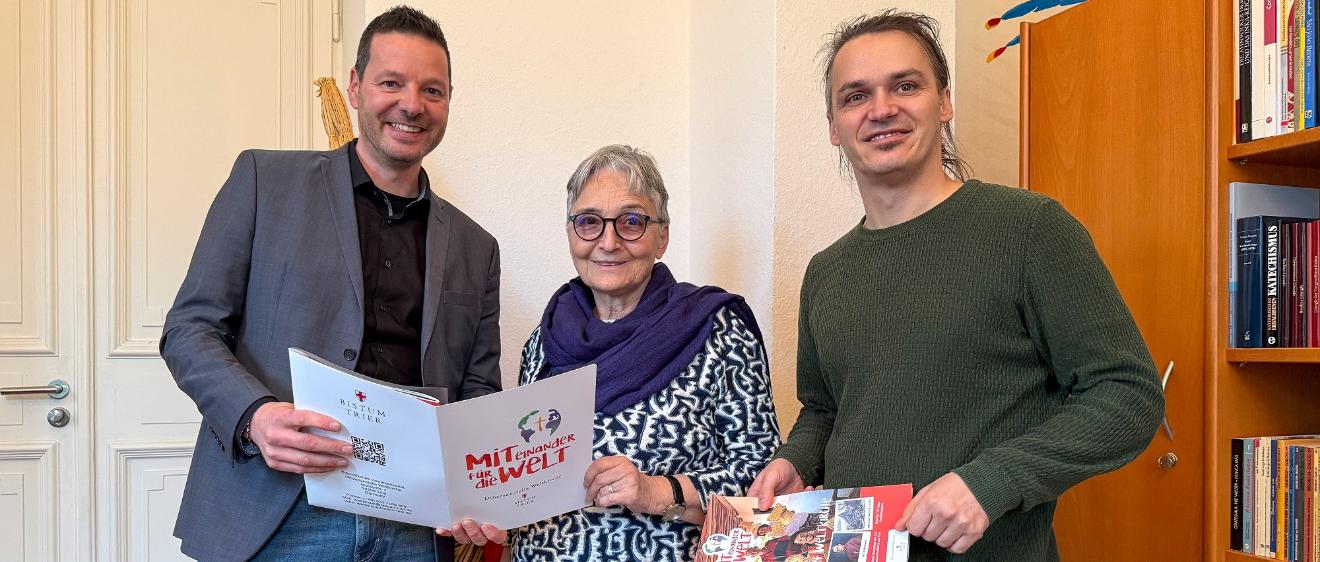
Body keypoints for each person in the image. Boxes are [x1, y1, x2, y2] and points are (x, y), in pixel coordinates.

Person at [748, 10, 1164, 561]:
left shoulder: (1028, 229)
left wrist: (992, 482)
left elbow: (1128, 394)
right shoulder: (827, 272)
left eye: (905, 85)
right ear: (833, 126)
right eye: (855, 96)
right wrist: (795, 461)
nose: (881, 109)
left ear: (944, 103)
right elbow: (825, 409)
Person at [159, 6, 500, 561]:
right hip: (278, 513)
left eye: (432, 90)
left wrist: (479, 486)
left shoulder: (477, 247)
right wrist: (255, 417)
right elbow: (189, 328)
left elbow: (479, 391)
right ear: (355, 88)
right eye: (391, 82)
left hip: (414, 525)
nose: (412, 104)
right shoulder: (262, 181)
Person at [440, 145, 781, 560]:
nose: (608, 241)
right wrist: (485, 509)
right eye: (589, 222)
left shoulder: (716, 329)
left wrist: (658, 491)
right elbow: (522, 475)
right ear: (570, 233)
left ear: (663, 235)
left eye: (632, 222)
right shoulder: (544, 342)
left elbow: (764, 485)